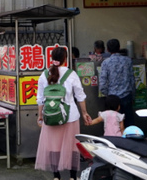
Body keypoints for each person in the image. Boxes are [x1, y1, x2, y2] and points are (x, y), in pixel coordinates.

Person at [36, 47, 92, 180]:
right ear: (65, 59)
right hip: (70, 116)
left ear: (52, 58)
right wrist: (84, 113)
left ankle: (56, 176)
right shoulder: (71, 74)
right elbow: (80, 96)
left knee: (53, 147)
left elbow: (40, 98)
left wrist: (40, 116)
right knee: (73, 147)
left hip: (50, 116)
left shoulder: (44, 75)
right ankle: (73, 177)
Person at [98, 39, 136, 126]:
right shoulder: (128, 61)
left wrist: (108, 95)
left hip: (112, 100)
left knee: (114, 126)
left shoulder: (105, 63)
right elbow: (132, 80)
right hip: (127, 97)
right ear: (119, 48)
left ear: (107, 49)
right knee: (128, 124)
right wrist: (133, 96)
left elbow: (103, 84)